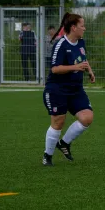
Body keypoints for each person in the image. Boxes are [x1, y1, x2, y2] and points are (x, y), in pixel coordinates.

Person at [42, 13, 96, 166]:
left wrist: (89, 71)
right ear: (73, 27)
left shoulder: (80, 42)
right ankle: (47, 156)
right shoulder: (60, 45)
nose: (84, 28)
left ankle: (64, 143)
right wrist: (75, 67)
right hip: (57, 89)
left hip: (76, 89)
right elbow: (55, 69)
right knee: (58, 122)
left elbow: (83, 59)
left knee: (87, 118)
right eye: (82, 26)